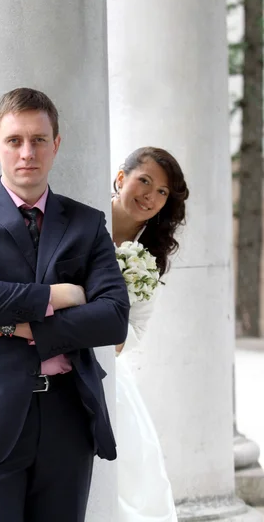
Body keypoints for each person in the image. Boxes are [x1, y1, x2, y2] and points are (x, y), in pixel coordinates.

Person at [0, 87, 129, 522]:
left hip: (67, 417)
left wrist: (20, 328)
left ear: (55, 145)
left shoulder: (86, 222)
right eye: (15, 140)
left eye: (39, 139)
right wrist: (61, 295)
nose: (27, 152)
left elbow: (114, 319)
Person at [112, 147, 189, 522]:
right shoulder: (80, 221)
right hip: (46, 348)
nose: (150, 196)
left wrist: (110, 337)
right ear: (121, 177)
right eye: (145, 180)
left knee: (133, 471)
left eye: (162, 192)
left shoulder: (150, 254)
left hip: (104, 364)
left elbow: (138, 328)